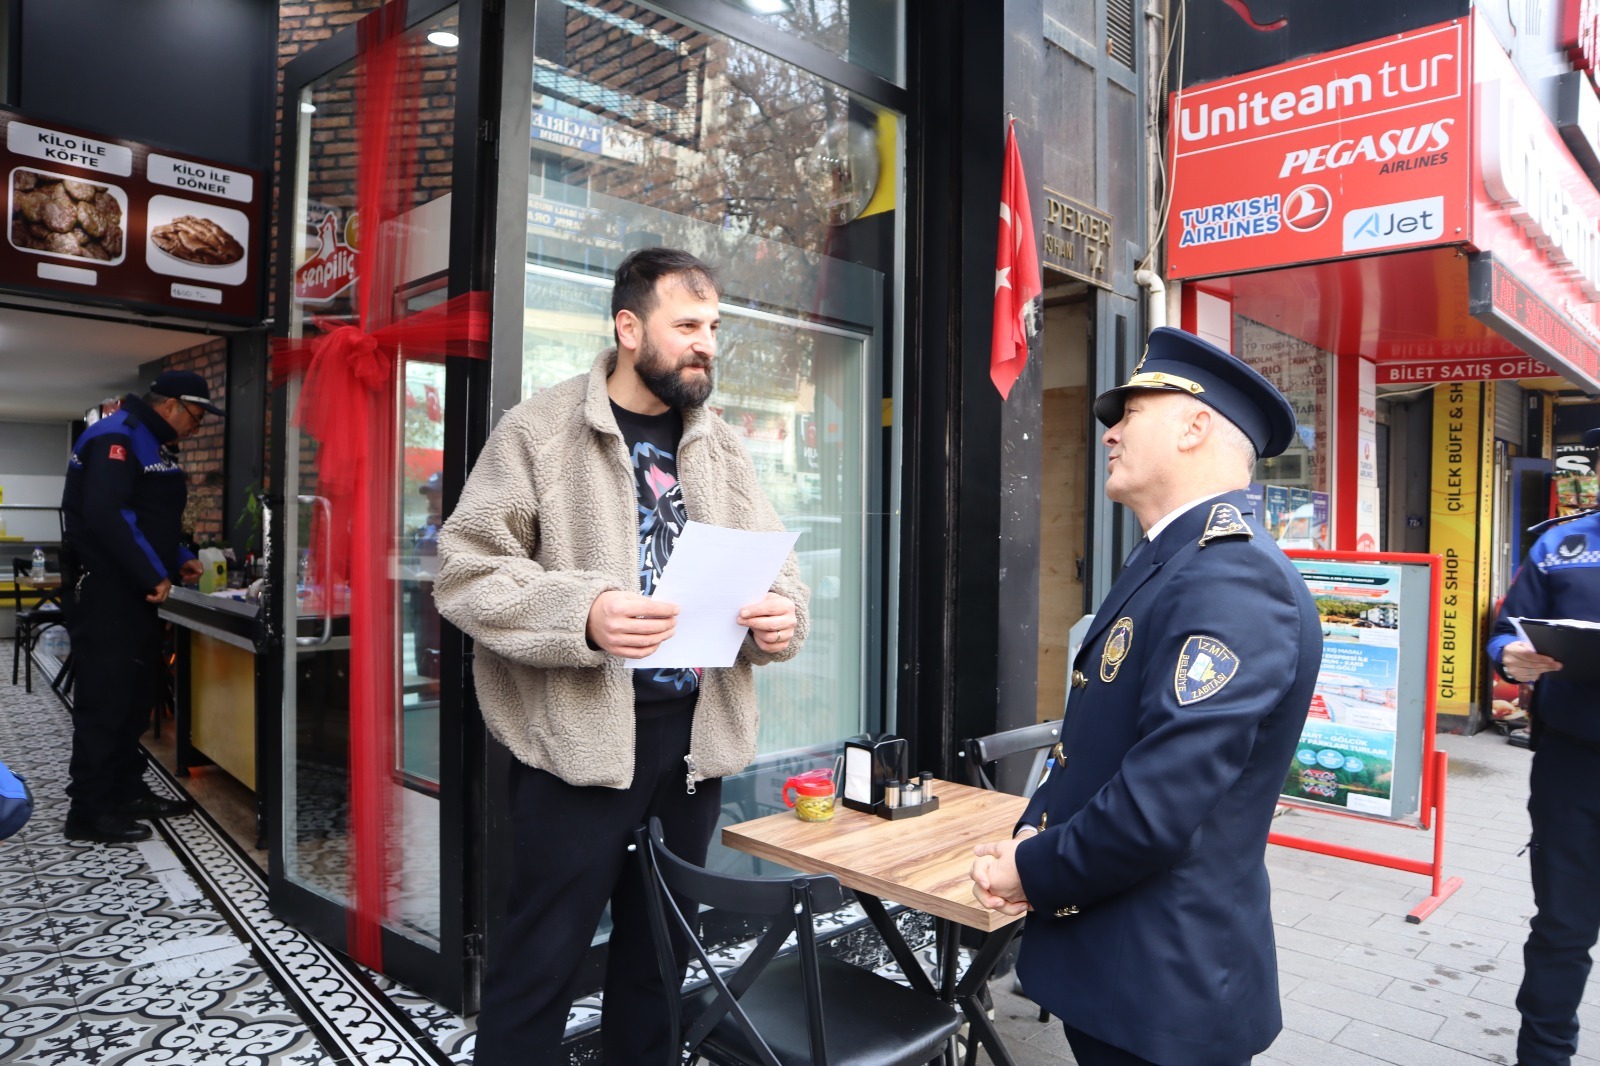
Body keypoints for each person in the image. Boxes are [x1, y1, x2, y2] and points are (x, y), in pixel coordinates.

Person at [433, 247, 808, 1064]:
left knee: (661, 959)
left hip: (692, 750)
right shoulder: (540, 430)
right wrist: (586, 614)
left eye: (714, 328)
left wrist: (782, 620)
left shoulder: (723, 447)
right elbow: (465, 571)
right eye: (688, 326)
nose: (706, 344)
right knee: (541, 964)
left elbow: (782, 579)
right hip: (575, 749)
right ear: (629, 327)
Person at [970, 326, 1323, 1066]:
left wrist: (1028, 870)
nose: (1111, 433)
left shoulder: (1232, 579)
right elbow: (1098, 749)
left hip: (1162, 983)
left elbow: (1157, 806)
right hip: (1122, 968)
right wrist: (1035, 831)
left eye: (1130, 412)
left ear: (1196, 427)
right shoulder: (1175, 560)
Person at [60, 370, 221, 844]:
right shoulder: (116, 435)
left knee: (135, 698)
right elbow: (107, 515)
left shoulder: (151, 444)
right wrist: (153, 572)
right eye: (196, 414)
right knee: (105, 702)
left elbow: (149, 516)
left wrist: (179, 558)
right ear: (170, 404)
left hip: (137, 591)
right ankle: (88, 811)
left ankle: (126, 791)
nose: (198, 425)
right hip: (110, 589)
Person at [1487, 426, 1600, 1066]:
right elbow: (1506, 630)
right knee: (1562, 926)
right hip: (1571, 766)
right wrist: (1513, 658)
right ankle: (1544, 1054)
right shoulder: (1562, 545)